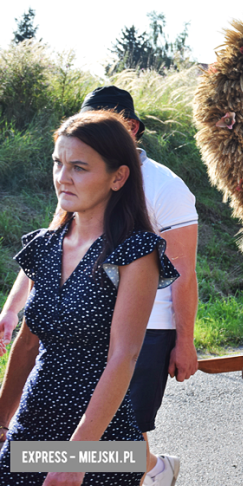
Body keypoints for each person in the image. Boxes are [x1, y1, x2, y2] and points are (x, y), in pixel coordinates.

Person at [0, 86, 199, 486]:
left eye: (79, 167)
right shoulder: (45, 243)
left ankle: (157, 469)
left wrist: (76, 456)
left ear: (118, 176)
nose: (62, 178)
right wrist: (2, 421)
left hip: (100, 435)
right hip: (34, 420)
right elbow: (27, 343)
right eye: (58, 164)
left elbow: (124, 356)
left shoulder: (135, 251)